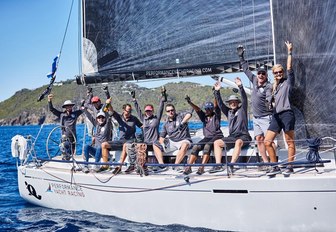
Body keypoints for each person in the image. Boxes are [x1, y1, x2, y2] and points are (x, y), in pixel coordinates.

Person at [237, 45, 273, 165]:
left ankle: (274, 162)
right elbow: (246, 69)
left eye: (263, 73)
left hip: (266, 117)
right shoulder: (254, 80)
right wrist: (241, 57)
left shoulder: (268, 85)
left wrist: (269, 100)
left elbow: (269, 95)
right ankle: (265, 161)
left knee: (269, 141)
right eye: (259, 73)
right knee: (259, 139)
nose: (261, 75)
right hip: (256, 118)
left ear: (266, 75)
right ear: (257, 75)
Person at [264, 41, 296, 176]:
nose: (278, 74)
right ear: (273, 74)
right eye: (276, 72)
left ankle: (289, 166)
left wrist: (289, 51)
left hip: (287, 114)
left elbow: (289, 67)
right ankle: (274, 166)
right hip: (276, 115)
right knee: (267, 142)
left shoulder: (288, 82)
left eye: (280, 72)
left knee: (289, 142)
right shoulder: (274, 87)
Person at [212, 78, 252, 172]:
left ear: (238, 103)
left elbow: (244, 98)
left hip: (244, 136)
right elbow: (220, 104)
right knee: (216, 143)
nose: (233, 103)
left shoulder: (242, 110)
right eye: (231, 102)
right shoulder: (228, 112)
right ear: (229, 104)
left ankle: (232, 164)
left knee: (238, 141)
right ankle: (218, 165)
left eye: (235, 102)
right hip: (232, 137)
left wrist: (240, 86)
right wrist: (217, 91)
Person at [183, 96, 223, 175]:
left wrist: (215, 94)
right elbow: (197, 109)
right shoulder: (204, 117)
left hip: (217, 136)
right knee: (195, 147)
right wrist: (190, 102)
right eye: (206, 109)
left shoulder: (216, 115)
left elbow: (216, 106)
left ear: (212, 109)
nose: (207, 110)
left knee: (207, 146)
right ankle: (189, 167)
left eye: (209, 109)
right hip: (207, 137)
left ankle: (202, 167)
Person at [101, 101, 143, 175]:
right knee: (104, 144)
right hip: (120, 141)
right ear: (124, 110)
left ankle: (119, 167)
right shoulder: (119, 117)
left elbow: (141, 126)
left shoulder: (134, 118)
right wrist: (108, 104)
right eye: (128, 110)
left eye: (130, 111)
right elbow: (111, 110)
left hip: (131, 141)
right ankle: (105, 165)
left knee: (125, 145)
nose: (129, 112)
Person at [132, 89, 167, 174]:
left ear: (152, 111)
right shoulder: (143, 118)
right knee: (141, 146)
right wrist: (134, 99)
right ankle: (142, 166)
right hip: (146, 142)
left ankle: (161, 165)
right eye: (147, 111)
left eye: (150, 110)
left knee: (155, 144)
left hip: (155, 142)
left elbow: (161, 107)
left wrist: (163, 95)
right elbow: (138, 110)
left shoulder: (156, 118)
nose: (148, 112)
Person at [155, 103, 193, 171]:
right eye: (168, 111)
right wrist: (162, 145)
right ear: (166, 113)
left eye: (172, 110)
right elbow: (161, 137)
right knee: (155, 144)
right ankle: (161, 164)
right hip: (172, 141)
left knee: (185, 144)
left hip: (184, 139)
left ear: (174, 110)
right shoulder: (166, 124)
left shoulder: (180, 116)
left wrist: (182, 123)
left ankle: (175, 165)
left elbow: (189, 114)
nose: (170, 112)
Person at [47, 94, 84, 160]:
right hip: (65, 136)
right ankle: (65, 158)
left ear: (72, 106)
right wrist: (49, 100)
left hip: (73, 135)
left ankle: (71, 160)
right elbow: (51, 109)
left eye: (70, 106)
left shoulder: (75, 114)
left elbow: (82, 109)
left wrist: (83, 103)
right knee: (65, 149)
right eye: (67, 106)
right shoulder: (61, 115)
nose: (69, 107)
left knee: (72, 151)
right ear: (65, 107)